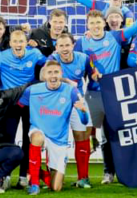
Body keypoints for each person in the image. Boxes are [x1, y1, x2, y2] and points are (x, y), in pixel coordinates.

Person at [77, 0, 137, 184]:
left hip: (114, 93)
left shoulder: (116, 37)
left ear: (104, 23)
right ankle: (89, 174)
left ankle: (111, 172)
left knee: (112, 134)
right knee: (85, 132)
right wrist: (89, 74)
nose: (95, 26)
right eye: (91, 23)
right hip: (92, 94)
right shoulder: (82, 43)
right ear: (87, 25)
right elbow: (77, 65)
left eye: (97, 22)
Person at [0, 29, 46, 186]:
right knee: (7, 140)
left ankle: (24, 177)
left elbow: (49, 63)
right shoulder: (1, 57)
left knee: (28, 139)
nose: (18, 44)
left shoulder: (35, 54)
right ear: (10, 43)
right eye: (15, 42)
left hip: (29, 102)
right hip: (9, 104)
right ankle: (4, 176)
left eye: (21, 41)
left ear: (26, 43)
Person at [19, 60, 89, 195]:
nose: (53, 75)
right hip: (39, 131)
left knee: (56, 187)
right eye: (49, 72)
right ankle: (34, 184)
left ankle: (38, 172)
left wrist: (83, 112)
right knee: (37, 137)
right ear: (44, 75)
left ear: (61, 73)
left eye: (56, 72)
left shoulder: (71, 91)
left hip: (59, 139)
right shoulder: (32, 90)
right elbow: (19, 107)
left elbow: (84, 122)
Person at [47, 33, 96, 188]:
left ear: (73, 45)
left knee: (81, 137)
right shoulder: (52, 60)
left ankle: (83, 178)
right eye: (61, 46)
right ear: (56, 47)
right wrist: (66, 81)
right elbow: (45, 76)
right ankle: (52, 178)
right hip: (57, 103)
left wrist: (96, 76)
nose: (64, 49)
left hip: (77, 101)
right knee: (54, 140)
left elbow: (92, 74)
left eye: (67, 45)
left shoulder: (84, 58)